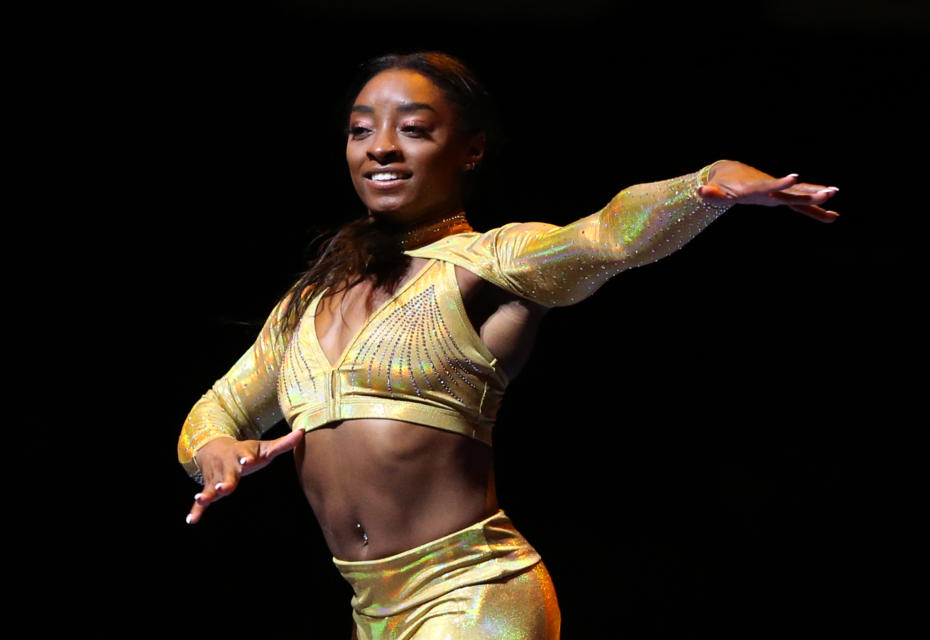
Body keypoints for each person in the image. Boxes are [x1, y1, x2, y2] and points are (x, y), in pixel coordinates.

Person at [176, 51, 839, 640]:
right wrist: (215, 452)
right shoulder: (308, 301)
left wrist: (705, 185)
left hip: (475, 595)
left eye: (412, 129)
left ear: (470, 149)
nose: (379, 147)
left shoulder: (490, 261)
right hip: (370, 610)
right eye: (359, 131)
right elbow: (215, 412)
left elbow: (607, 236)